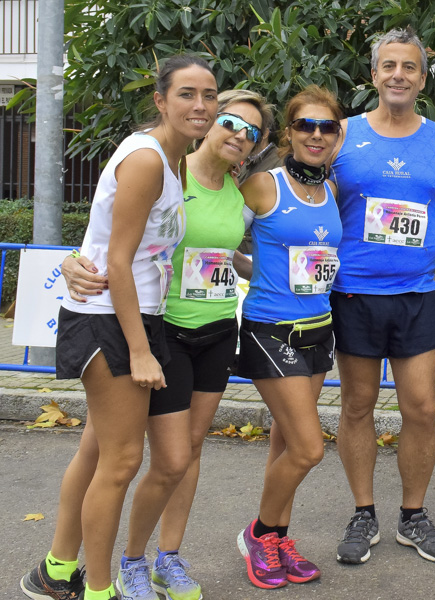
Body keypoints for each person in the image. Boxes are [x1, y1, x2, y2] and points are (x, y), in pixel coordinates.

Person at [49, 90, 271, 600]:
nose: (240, 135)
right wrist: (70, 262)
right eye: (232, 122)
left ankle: (163, 558)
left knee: (183, 452)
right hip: (158, 330)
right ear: (212, 119)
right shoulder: (167, 168)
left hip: (216, 329)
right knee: (121, 454)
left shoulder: (240, 191)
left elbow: (226, 256)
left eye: (252, 132)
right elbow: (112, 232)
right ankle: (103, 565)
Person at [18, 55, 213, 600]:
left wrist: (76, 258)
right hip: (111, 322)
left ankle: (58, 569)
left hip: (133, 317)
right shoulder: (149, 159)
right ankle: (98, 589)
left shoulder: (169, 162)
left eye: (209, 95)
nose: (200, 105)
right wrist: (141, 350)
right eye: (187, 94)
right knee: (121, 460)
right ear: (160, 100)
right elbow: (120, 261)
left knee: (101, 450)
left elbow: (106, 237)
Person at [329, 27, 435, 565]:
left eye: (409, 67)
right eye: (389, 66)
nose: (398, 75)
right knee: (358, 406)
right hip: (353, 294)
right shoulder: (340, 134)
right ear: (374, 75)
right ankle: (364, 512)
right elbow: (311, 205)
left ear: (422, 78)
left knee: (422, 409)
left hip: (418, 296)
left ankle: (413, 515)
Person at [234, 85, 344, 590]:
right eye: (306, 126)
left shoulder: (331, 192)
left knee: (284, 445)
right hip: (270, 328)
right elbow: (216, 238)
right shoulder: (263, 186)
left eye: (327, 127)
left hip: (318, 332)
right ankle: (258, 533)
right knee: (308, 448)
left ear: (337, 136)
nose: (317, 135)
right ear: (290, 134)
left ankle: (279, 537)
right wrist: (254, 274)